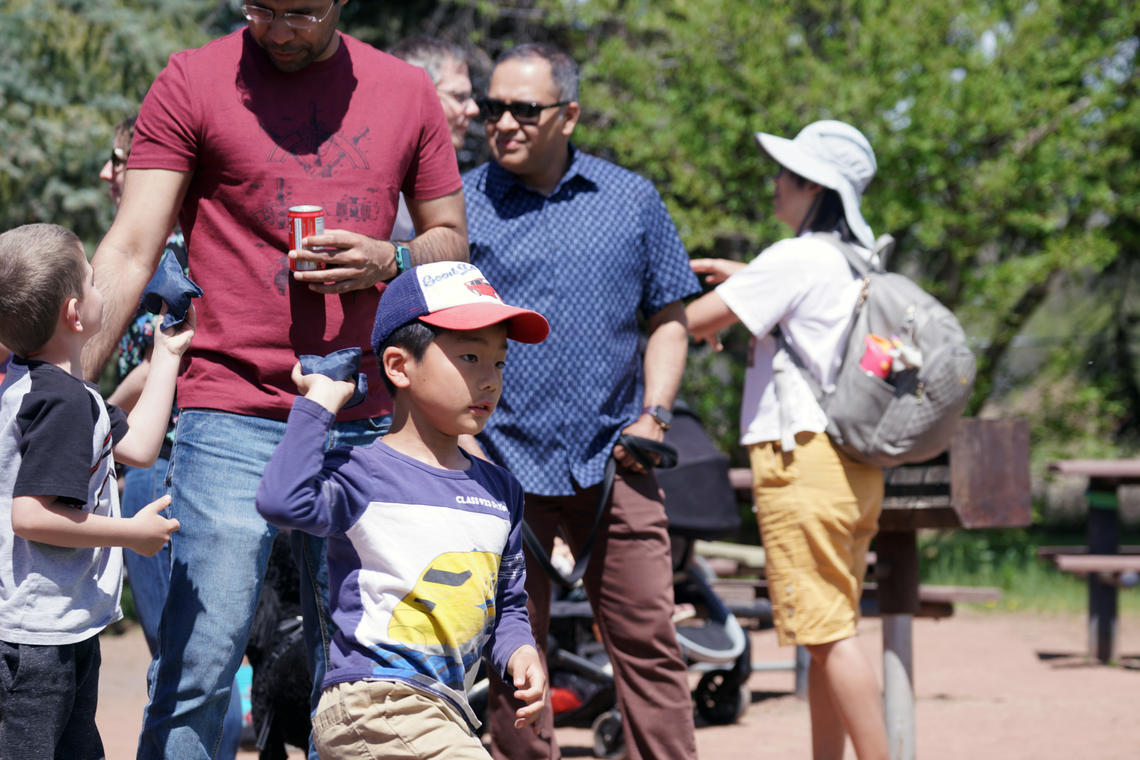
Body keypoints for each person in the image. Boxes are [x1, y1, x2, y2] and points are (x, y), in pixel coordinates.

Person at [80, 2, 470, 757]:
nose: (280, 31)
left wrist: (388, 259)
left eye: (301, 13)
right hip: (231, 408)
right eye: (261, 8)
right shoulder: (193, 80)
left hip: (363, 413)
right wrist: (62, 390)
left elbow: (451, 240)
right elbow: (130, 247)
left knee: (358, 676)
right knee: (200, 666)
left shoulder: (405, 91)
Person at [463, 42, 700, 760]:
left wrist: (655, 414)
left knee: (649, 643)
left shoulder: (631, 199)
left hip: (618, 460)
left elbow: (670, 317)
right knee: (512, 657)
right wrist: (463, 439)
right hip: (498, 463)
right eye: (492, 107)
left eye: (523, 109)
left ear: (568, 115)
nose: (503, 122)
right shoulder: (460, 205)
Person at [256, 260, 549, 758]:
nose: (489, 380)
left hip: (446, 709)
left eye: (499, 363)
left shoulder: (501, 491)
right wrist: (319, 404)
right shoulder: (361, 472)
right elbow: (282, 502)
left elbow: (508, 604)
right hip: (375, 702)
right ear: (398, 366)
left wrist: (520, 650)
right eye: (470, 357)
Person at [685, 119, 890, 760]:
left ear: (814, 187)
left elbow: (691, 321)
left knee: (829, 637)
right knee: (831, 631)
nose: (775, 181)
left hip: (803, 460)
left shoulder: (795, 257)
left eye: (787, 173)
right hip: (852, 465)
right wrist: (749, 277)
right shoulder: (856, 259)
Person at [0, 222, 189, 760]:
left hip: (60, 628)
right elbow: (31, 516)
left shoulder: (53, 388)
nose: (101, 287)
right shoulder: (59, 403)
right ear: (74, 313)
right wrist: (130, 533)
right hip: (37, 638)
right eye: (91, 280)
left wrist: (166, 355)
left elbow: (142, 446)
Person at [99, 114, 247, 758]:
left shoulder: (172, 254)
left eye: (118, 159)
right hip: (161, 458)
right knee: (190, 651)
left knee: (184, 654)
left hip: (167, 461)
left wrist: (91, 412)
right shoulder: (167, 246)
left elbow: (162, 361)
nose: (106, 173)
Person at [388, 35, 481, 241]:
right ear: (413, 95)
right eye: (459, 97)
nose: (474, 109)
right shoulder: (374, 188)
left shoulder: (473, 189)